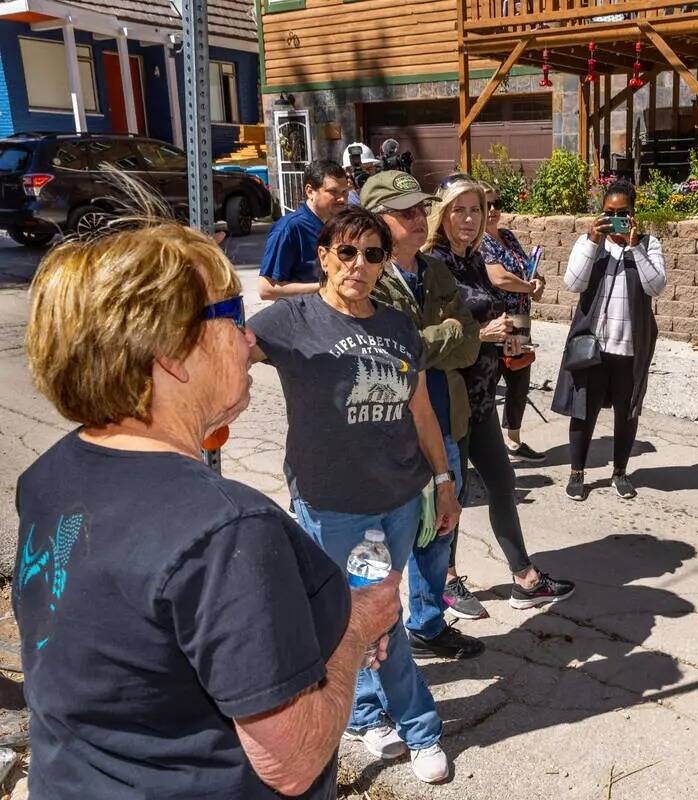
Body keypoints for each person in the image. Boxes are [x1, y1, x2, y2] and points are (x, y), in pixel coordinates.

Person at [17, 216, 402, 798]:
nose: (250, 340)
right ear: (173, 351)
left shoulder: (50, 473)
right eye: (235, 318)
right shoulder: (226, 529)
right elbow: (292, 762)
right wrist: (354, 631)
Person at [247, 207, 458, 784]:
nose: (359, 265)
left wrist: (442, 482)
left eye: (373, 254)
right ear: (323, 256)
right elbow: (226, 353)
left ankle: (365, 711)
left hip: (399, 496)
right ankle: (418, 727)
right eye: (347, 252)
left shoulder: (396, 325)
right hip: (333, 504)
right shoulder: (289, 321)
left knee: (364, 617)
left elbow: (419, 408)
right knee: (368, 616)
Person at [426, 176, 575, 610]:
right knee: (449, 494)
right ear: (444, 213)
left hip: (482, 396)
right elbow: (434, 333)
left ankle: (524, 578)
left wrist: (505, 335)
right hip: (450, 401)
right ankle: (445, 579)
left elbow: (489, 308)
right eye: (461, 210)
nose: (471, 218)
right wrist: (481, 332)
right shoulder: (433, 263)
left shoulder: (473, 259)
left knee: (502, 482)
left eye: (477, 209)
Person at [362, 170, 489, 654]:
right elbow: (385, 355)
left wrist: (419, 345)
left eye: (421, 209)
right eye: (406, 212)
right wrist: (437, 338)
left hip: (445, 424)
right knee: (384, 542)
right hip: (389, 435)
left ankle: (428, 625)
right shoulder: (364, 275)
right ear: (378, 220)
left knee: (440, 531)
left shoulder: (434, 271)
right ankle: (376, 638)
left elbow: (470, 344)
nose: (420, 218)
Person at [554, 177, 667, 501]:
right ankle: (577, 472)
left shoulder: (648, 244)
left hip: (630, 347)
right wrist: (592, 241)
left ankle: (619, 471)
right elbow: (573, 283)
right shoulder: (589, 242)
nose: (616, 218)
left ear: (634, 214)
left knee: (626, 413)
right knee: (583, 410)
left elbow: (655, 287)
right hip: (594, 346)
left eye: (623, 212)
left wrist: (634, 248)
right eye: (609, 211)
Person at [479, 182, 548, 462]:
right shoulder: (479, 241)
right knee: (488, 383)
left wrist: (538, 281)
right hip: (496, 322)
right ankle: (484, 447)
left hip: (519, 320)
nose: (493, 210)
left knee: (519, 379)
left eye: (497, 203)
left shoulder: (507, 236)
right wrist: (529, 287)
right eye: (487, 205)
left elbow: (526, 269)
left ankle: (513, 441)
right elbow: (499, 278)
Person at [259, 159, 348, 301]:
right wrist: (323, 287)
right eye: (333, 192)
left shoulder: (341, 224)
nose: (342, 199)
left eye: (345, 192)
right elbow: (266, 289)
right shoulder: (288, 229)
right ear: (310, 191)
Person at [343, 141, 380, 207]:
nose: (365, 175)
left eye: (369, 169)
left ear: (375, 168)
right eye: (358, 171)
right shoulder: (343, 202)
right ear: (347, 173)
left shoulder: (383, 193)